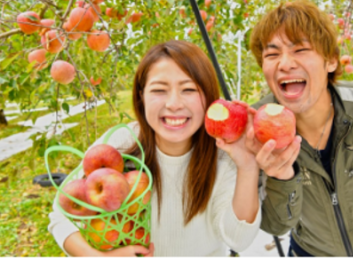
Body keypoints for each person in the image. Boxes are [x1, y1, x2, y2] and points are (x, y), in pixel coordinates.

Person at [48, 40, 275, 256]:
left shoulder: (222, 157)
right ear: (141, 96)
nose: (174, 104)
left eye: (189, 89)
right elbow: (60, 215)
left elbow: (238, 239)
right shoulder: (121, 144)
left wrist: (247, 166)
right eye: (159, 90)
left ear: (208, 97)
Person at [246, 0, 353, 257]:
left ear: (330, 61)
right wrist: (280, 178)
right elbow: (275, 225)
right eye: (272, 54)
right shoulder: (258, 132)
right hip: (310, 252)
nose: (284, 63)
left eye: (300, 50)